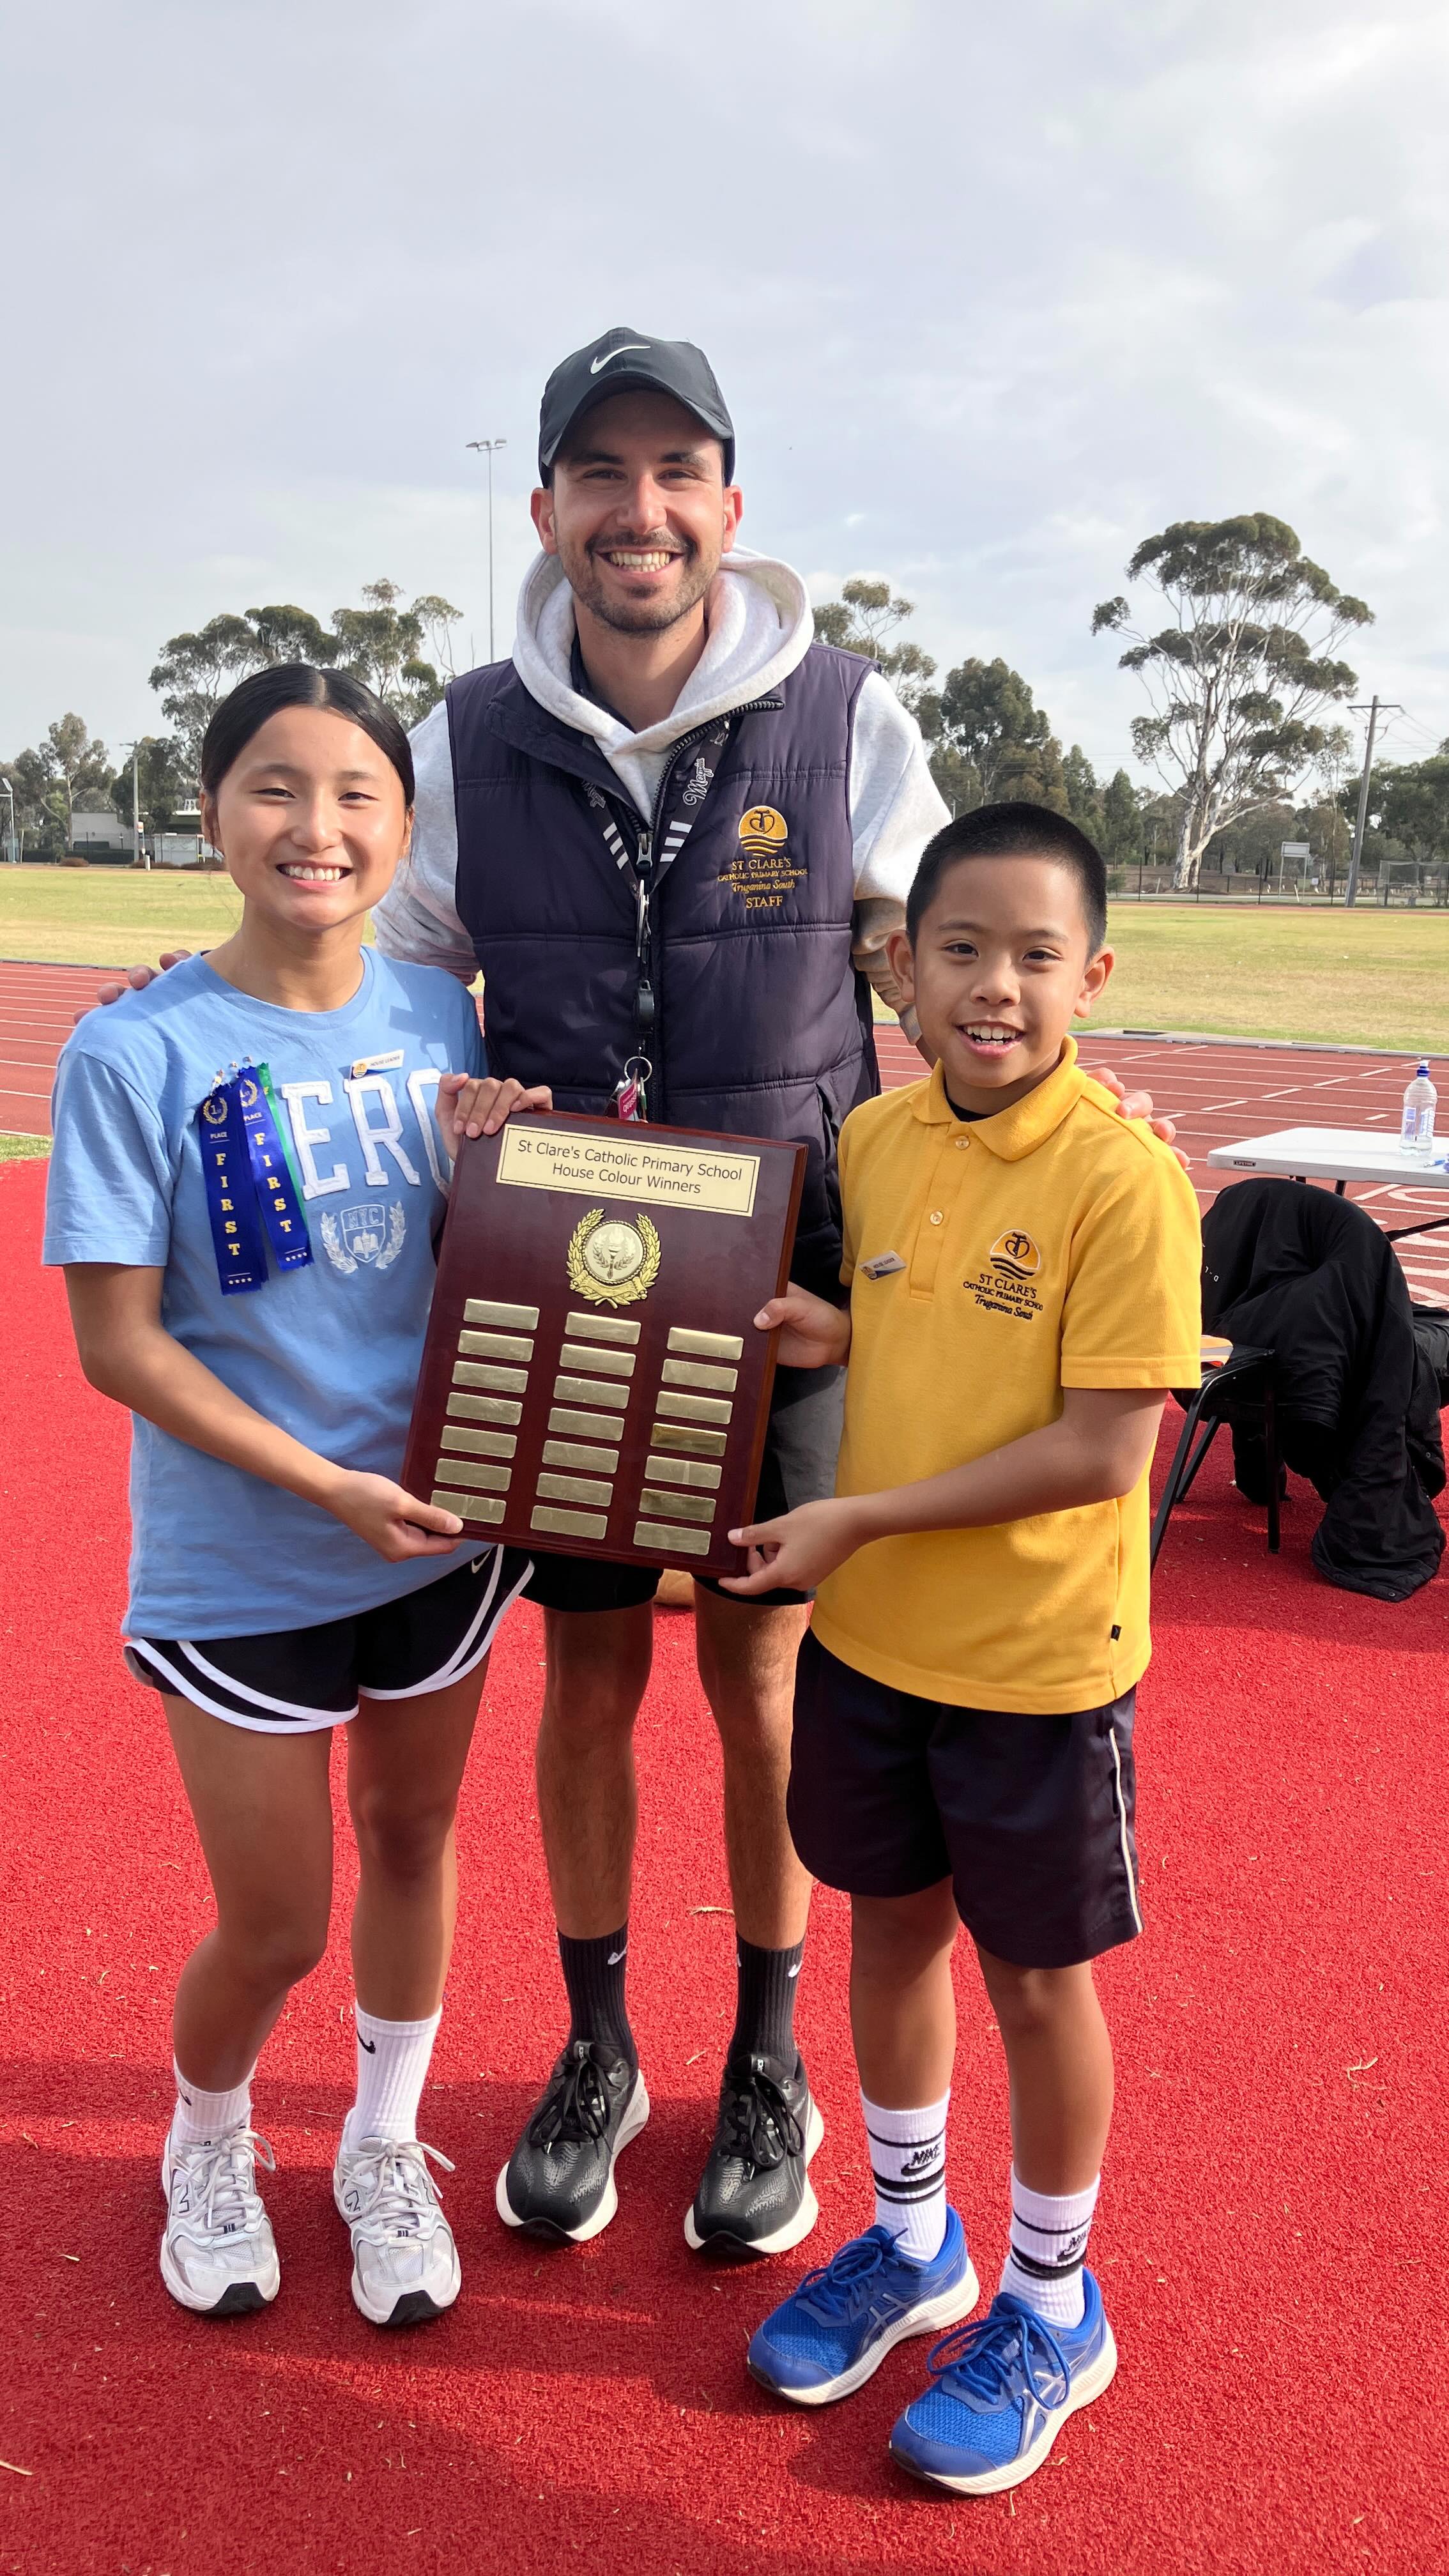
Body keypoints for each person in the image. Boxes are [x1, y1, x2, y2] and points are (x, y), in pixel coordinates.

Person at [88, 326, 1177, 2261]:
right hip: (564, 1284)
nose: (638, 510)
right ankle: (596, 2045)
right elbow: (367, 960)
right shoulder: (460, 730)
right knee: (587, 1671)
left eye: (675, 471)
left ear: (727, 507)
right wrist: (197, 982)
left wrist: (1101, 1092)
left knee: (761, 1666)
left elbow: (958, 964)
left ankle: (763, 2055)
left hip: (784, 1275)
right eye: (600, 474)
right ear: (546, 511)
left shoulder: (843, 718)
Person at [44, 664, 548, 2327]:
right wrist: (322, 1483)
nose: (315, 826)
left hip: (439, 1537)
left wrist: (499, 1160)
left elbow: (485, 1250)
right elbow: (118, 1345)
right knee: (274, 1923)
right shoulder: (134, 1048)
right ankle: (208, 2136)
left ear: (404, 831)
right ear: (210, 813)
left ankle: (383, 2146)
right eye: (275, 786)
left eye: (355, 794)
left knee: (415, 1837)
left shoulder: (442, 1018)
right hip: (250, 1558)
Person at [733, 802, 1201, 2496]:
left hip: (1032, 1664)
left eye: (1029, 956)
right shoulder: (875, 1139)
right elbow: (928, 1324)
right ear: (900, 968)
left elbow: (1096, 1447)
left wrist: (852, 1519)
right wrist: (829, 1330)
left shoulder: (1122, 1178)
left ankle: (1053, 2303)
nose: (991, 986)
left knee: (1031, 1979)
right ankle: (912, 2242)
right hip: (873, 1647)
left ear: (1090, 976)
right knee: (891, 1936)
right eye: (957, 950)